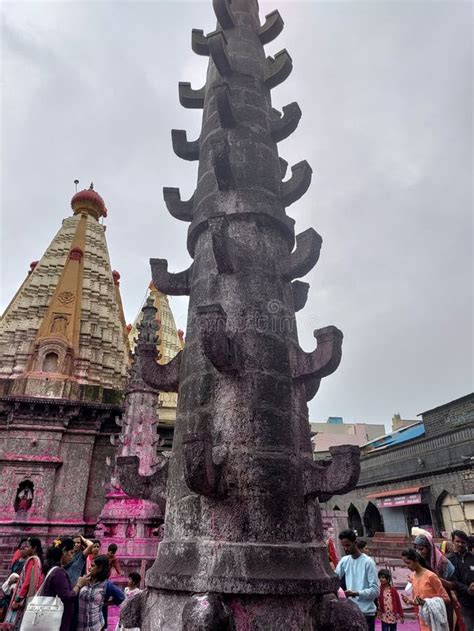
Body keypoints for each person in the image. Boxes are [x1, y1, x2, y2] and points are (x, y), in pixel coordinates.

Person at [40, 537, 90, 631]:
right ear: (64, 551)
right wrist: (79, 584)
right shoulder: (58, 572)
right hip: (57, 621)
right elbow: (68, 597)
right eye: (71, 553)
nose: (72, 557)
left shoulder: (52, 569)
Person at [335, 529, 379, 631]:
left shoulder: (368, 562)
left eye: (348, 545)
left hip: (366, 613)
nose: (345, 548)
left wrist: (356, 593)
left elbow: (375, 591)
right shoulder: (344, 561)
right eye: (343, 546)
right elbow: (334, 578)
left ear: (355, 543)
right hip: (351, 611)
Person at [413, 530, 456, 629]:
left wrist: (435, 579)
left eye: (421, 549)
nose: (419, 552)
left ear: (429, 547)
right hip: (428, 601)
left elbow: (453, 583)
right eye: (417, 549)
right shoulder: (420, 562)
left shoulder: (442, 562)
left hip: (443, 600)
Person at [401, 548, 450, 631]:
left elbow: (446, 599)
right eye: (405, 563)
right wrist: (410, 601)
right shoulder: (413, 576)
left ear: (416, 560)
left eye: (408, 563)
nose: (407, 566)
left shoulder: (431, 576)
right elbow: (419, 601)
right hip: (423, 619)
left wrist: (427, 602)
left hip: (434, 620)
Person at [3, 537, 43, 630]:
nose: (25, 548)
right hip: (30, 599)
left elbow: (27, 582)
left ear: (34, 548)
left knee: (14, 624)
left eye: (28, 547)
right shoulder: (38, 560)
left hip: (22, 601)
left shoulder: (32, 560)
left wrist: (17, 600)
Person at [77, 555, 124, 631]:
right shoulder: (83, 580)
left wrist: (105, 603)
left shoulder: (106, 585)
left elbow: (121, 598)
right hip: (80, 627)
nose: (89, 568)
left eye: (92, 566)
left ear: (100, 568)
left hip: (96, 626)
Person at [447, 530, 474, 631]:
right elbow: (452, 581)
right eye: (457, 541)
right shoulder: (449, 560)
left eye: (463, 542)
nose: (460, 544)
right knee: (469, 627)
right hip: (463, 603)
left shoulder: (472, 557)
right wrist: (467, 589)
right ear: (452, 541)